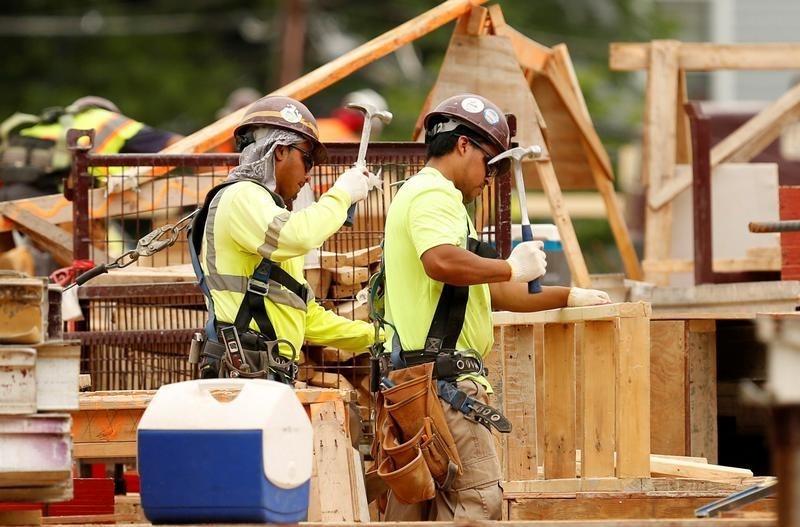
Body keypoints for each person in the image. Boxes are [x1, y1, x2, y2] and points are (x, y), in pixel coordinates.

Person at [378, 93, 612, 521]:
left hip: (420, 383)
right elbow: (441, 262)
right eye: (490, 162)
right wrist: (508, 265)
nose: (491, 177)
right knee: (477, 505)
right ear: (463, 145)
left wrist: (568, 295)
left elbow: (495, 293)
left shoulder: (430, 199)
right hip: (444, 384)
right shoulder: (435, 196)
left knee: (417, 512)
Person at [191, 94, 383, 383]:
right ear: (279, 151)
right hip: (242, 374)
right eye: (306, 161)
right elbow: (299, 235)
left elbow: (305, 316)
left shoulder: (271, 220)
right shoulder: (242, 196)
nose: (308, 177)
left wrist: (379, 337)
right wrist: (342, 193)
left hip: (261, 372)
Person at [0, 95, 182, 201]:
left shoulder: (42, 126)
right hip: (48, 200)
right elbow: (177, 144)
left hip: (8, 196)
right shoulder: (108, 120)